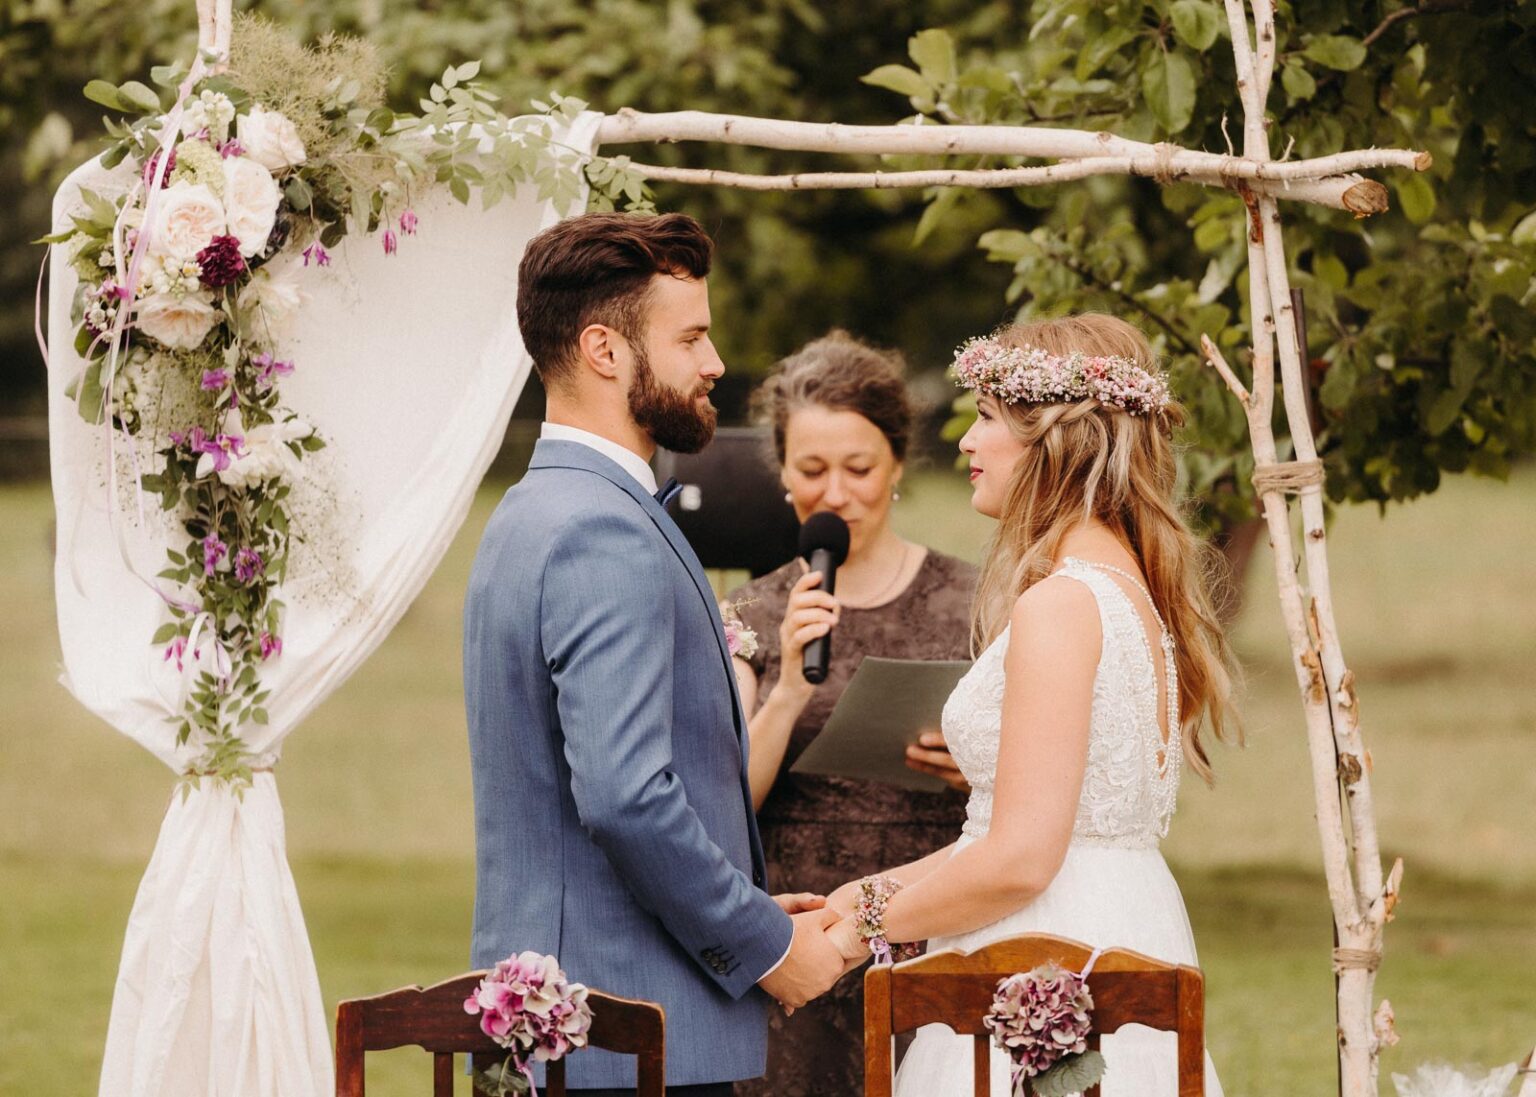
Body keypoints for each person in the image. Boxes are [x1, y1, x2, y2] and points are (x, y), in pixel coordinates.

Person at [463, 212, 846, 1097]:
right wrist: (764, 945)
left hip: (557, 1030)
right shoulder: (605, 529)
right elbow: (627, 796)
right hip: (627, 1041)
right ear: (605, 349)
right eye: (691, 337)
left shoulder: (528, 512)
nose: (714, 363)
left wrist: (750, 906)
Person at [824, 314, 1238, 1095]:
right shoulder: (1127, 593)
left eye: (984, 418)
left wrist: (858, 932)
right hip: (1116, 922)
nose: (967, 445)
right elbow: (1018, 831)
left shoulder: (1061, 604)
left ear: (1054, 439)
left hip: (1046, 958)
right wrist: (868, 892)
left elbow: (1019, 858)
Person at [726, 331, 977, 1097]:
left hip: (934, 922)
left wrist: (973, 770)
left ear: (897, 465)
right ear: (782, 476)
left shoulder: (976, 601)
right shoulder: (749, 610)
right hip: (798, 936)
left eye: (858, 468)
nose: (835, 492)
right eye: (812, 469)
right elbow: (722, 800)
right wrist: (790, 689)